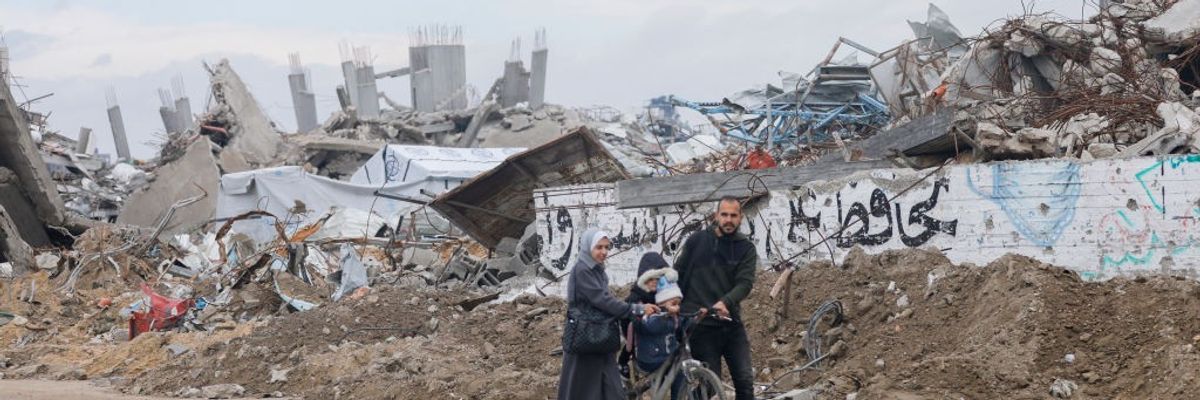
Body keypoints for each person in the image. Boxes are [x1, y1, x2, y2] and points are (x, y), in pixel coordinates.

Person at [558, 229, 659, 400]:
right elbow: (602, 300)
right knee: (582, 390)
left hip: (600, 338)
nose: (604, 252)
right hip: (586, 339)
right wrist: (635, 309)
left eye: (607, 247)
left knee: (610, 388)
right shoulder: (583, 270)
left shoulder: (596, 270)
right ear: (587, 248)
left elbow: (605, 301)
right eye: (599, 247)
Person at [673, 196, 758, 400]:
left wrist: (725, 302)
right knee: (709, 386)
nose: (729, 220)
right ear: (716, 216)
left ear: (740, 218)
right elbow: (678, 273)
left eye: (733, 215)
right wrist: (675, 304)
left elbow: (744, 284)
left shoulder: (745, 248)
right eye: (725, 215)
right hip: (701, 326)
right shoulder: (697, 241)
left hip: (731, 324)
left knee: (745, 382)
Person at [634, 271, 703, 400]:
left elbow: (684, 324)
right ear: (662, 303)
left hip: (668, 357)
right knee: (659, 387)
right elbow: (651, 326)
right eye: (673, 304)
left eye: (678, 304)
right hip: (652, 358)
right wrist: (665, 316)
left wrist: (696, 317)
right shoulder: (654, 316)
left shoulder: (674, 316)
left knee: (680, 375)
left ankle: (678, 396)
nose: (677, 308)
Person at [619, 252, 672, 378]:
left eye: (658, 278)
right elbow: (627, 314)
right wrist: (641, 311)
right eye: (650, 279)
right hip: (637, 334)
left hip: (659, 336)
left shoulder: (664, 294)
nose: (655, 282)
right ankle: (623, 362)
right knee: (629, 344)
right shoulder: (636, 295)